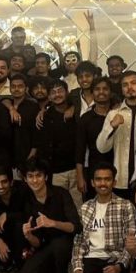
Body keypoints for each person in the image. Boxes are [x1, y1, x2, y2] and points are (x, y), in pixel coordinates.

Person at [69, 162, 136, 273]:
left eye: (107, 179)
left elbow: (131, 242)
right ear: (92, 183)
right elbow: (78, 242)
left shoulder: (126, 206)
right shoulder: (85, 208)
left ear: (114, 182)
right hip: (91, 257)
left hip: (114, 258)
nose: (103, 183)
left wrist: (119, 266)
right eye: (98, 179)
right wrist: (77, 269)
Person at [13, 160, 82, 273]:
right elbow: (38, 243)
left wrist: (53, 223)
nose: (35, 180)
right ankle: (52, 267)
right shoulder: (27, 202)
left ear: (45, 177)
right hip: (46, 246)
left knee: (59, 244)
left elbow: (76, 227)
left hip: (67, 243)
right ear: (25, 179)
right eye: (30, 176)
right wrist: (29, 236)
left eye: (38, 175)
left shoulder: (61, 193)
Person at [96, 71, 136, 199]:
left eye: (133, 83)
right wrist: (112, 126)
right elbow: (102, 148)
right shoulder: (114, 114)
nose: (129, 87)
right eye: (125, 85)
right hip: (120, 179)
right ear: (122, 90)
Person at [35, 79, 81, 208]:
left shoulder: (78, 111)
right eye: (53, 92)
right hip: (56, 172)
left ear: (67, 93)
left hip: (76, 169)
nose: (57, 95)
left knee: (79, 206)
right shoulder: (45, 116)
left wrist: (74, 107)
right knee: (60, 207)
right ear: (49, 97)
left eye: (60, 91)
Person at [74, 76, 115, 201]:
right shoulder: (85, 119)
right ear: (92, 93)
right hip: (93, 169)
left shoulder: (118, 115)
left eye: (105, 89)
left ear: (110, 92)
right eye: (97, 89)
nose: (101, 92)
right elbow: (80, 149)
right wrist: (80, 177)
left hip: (117, 168)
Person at [0, 167, 29, 273]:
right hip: (3, 235)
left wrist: (7, 215)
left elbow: (29, 214)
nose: (0, 186)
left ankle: (19, 262)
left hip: (22, 235)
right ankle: (8, 260)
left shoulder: (23, 190)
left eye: (4, 182)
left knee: (19, 225)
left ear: (11, 182)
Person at [7, 73, 39, 177]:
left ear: (26, 88)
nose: (16, 89)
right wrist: (11, 108)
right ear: (10, 88)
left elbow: (37, 133)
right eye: (13, 86)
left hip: (27, 156)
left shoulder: (33, 106)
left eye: (20, 86)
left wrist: (32, 155)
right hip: (8, 158)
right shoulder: (5, 106)